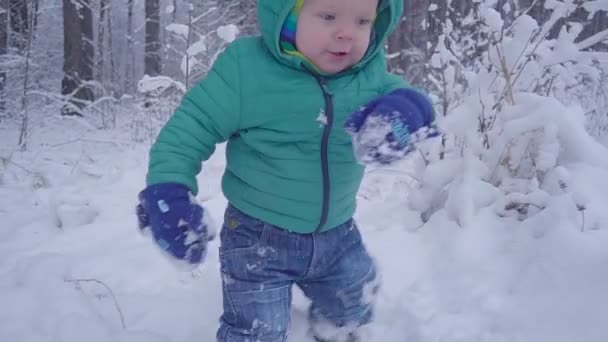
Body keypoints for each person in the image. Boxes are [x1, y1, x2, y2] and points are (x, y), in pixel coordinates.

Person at [136, 0, 438, 341]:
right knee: (257, 331)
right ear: (288, 16)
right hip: (257, 239)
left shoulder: (367, 75)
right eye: (328, 16)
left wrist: (406, 112)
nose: (346, 33)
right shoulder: (246, 69)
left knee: (355, 304)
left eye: (362, 21)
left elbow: (409, 98)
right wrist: (167, 188)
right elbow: (190, 128)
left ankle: (330, 326)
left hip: (338, 235)